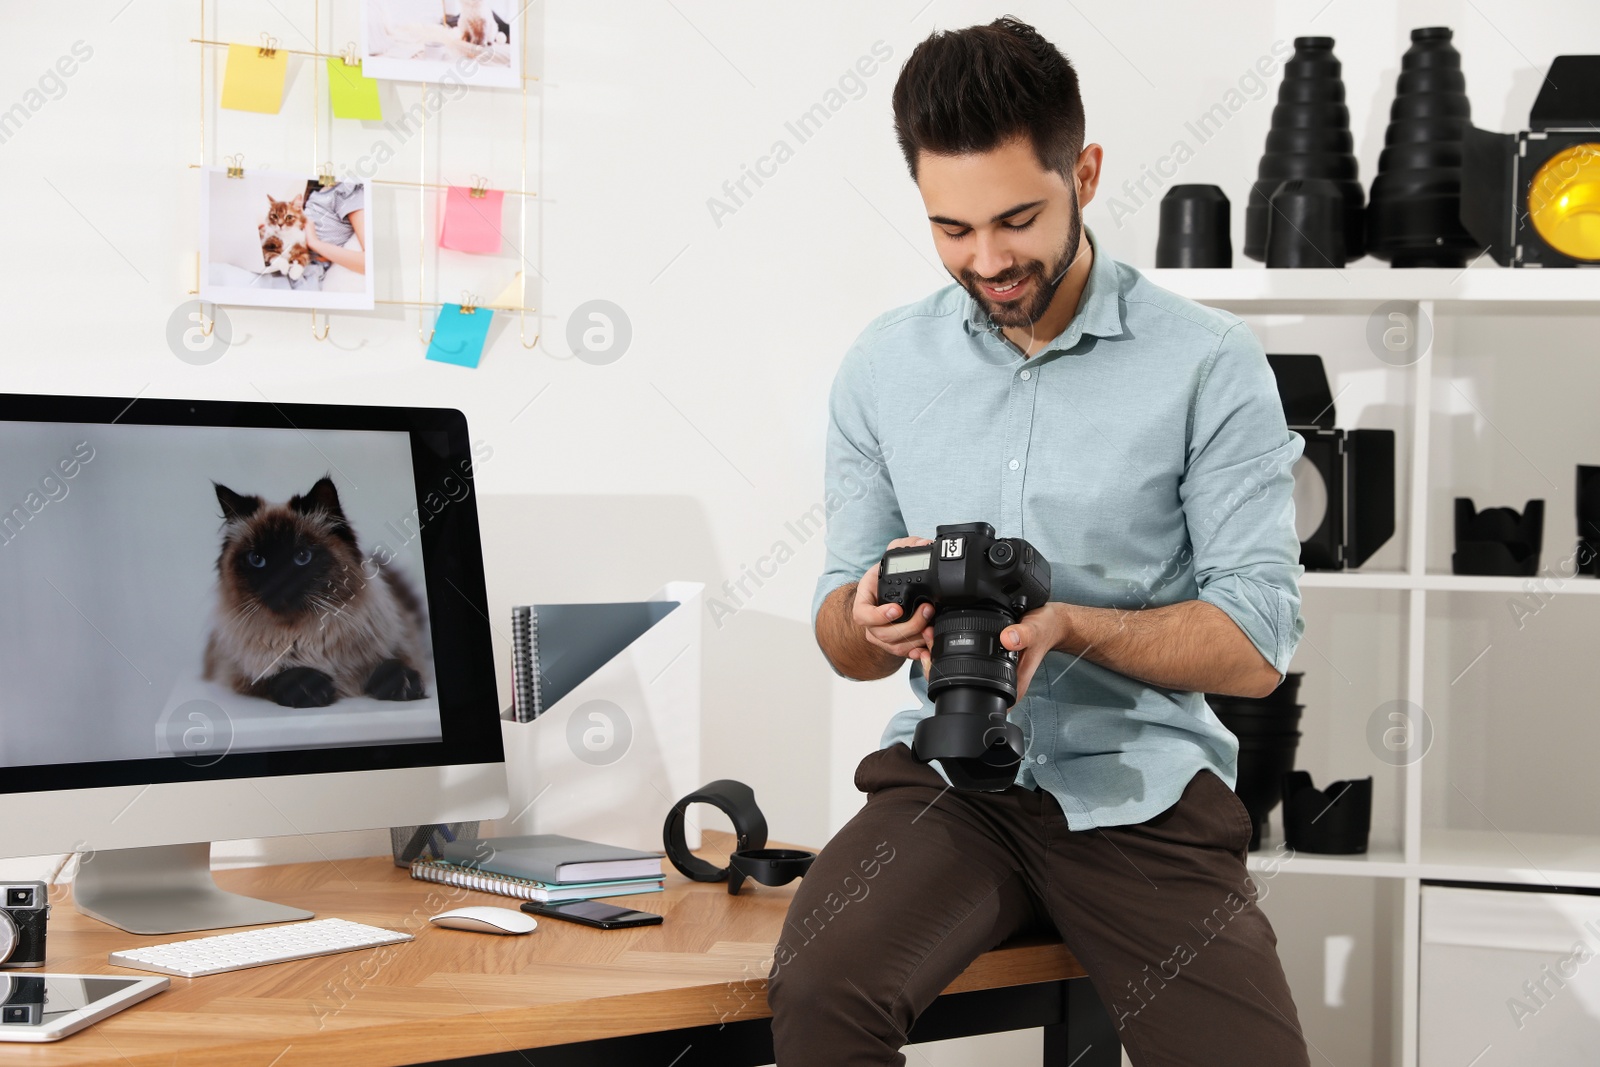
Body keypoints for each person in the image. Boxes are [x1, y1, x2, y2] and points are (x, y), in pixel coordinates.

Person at [767, 17, 1312, 1067]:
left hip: (1140, 787)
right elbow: (838, 631)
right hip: (950, 778)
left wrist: (1070, 624)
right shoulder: (883, 368)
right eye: (951, 229)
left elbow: (1256, 637)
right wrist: (868, 610)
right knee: (823, 988)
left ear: (1086, 173)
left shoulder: (1208, 363)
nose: (988, 259)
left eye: (1016, 219)